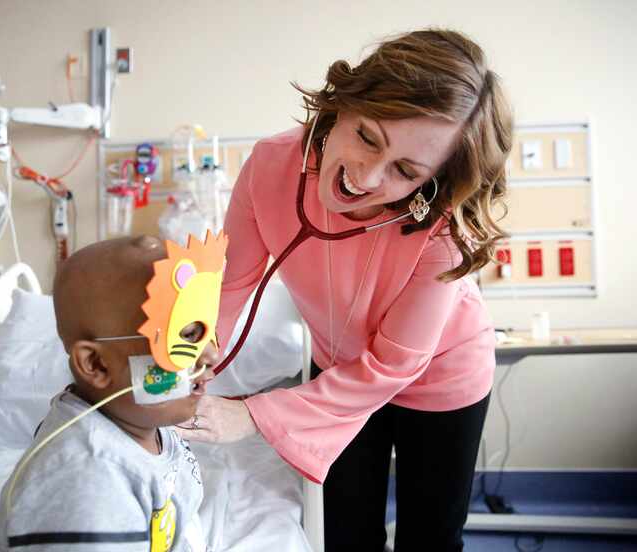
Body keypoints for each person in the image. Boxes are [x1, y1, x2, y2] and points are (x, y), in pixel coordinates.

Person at [180, 29, 513, 551]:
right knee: (345, 530)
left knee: (431, 536)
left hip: (441, 372)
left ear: (430, 182)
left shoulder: (443, 229)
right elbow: (230, 283)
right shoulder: (271, 166)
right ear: (344, 105)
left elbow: (393, 365)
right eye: (367, 136)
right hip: (337, 365)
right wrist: (194, 348)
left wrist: (251, 414)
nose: (367, 175)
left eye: (405, 170)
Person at [0, 236, 216, 552]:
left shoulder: (143, 417)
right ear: (97, 364)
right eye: (187, 336)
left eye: (209, 330)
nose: (210, 354)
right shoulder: (86, 485)